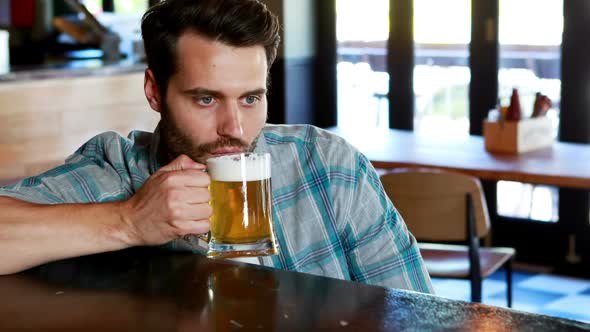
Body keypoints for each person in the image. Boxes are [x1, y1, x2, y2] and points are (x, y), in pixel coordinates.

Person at [0, 0, 432, 293]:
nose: (235, 127)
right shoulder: (118, 172)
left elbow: (412, 312)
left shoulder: (328, 164)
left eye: (251, 98)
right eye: (205, 99)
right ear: (154, 92)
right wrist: (127, 221)